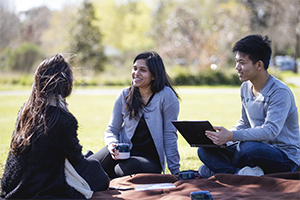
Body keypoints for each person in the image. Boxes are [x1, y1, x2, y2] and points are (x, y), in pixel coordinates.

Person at [0, 54, 110, 199]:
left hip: (14, 186)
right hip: (41, 188)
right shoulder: (62, 118)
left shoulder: (25, 111)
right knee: (98, 174)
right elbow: (76, 158)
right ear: (66, 83)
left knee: (90, 157)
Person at [198, 35, 300, 178]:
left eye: (242, 62)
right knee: (205, 149)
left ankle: (220, 169)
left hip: (285, 158)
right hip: (253, 149)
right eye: (236, 62)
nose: (237, 67)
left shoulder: (280, 92)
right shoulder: (245, 87)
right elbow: (245, 122)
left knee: (246, 148)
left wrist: (232, 136)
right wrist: (223, 139)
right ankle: (240, 173)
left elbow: (270, 131)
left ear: (259, 65)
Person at [88, 51, 180, 178]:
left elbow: (170, 135)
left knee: (122, 170)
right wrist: (112, 145)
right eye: (135, 68)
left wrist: (175, 171)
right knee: (88, 167)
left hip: (149, 159)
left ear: (154, 75)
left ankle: (104, 174)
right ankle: (91, 162)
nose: (136, 73)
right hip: (123, 152)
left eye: (143, 70)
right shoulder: (124, 94)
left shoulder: (166, 95)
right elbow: (111, 130)